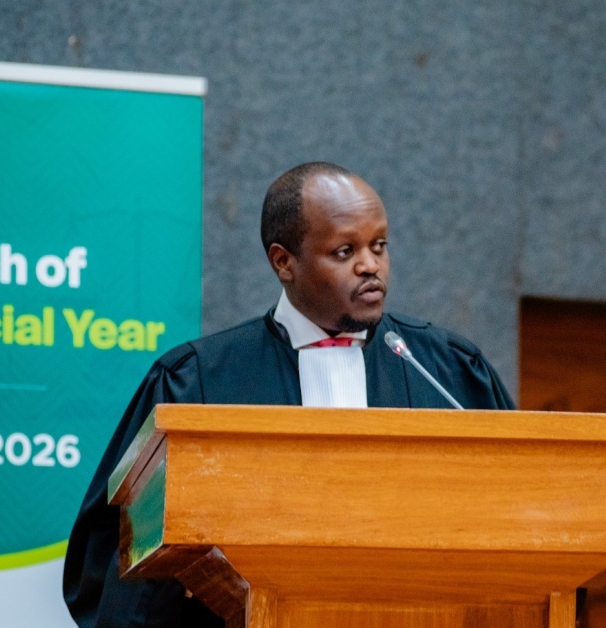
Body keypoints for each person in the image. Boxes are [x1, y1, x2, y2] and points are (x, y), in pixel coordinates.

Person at [62, 162, 516, 628]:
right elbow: (122, 559)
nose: (370, 265)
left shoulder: (449, 371)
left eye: (379, 246)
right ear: (284, 261)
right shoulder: (196, 384)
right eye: (345, 251)